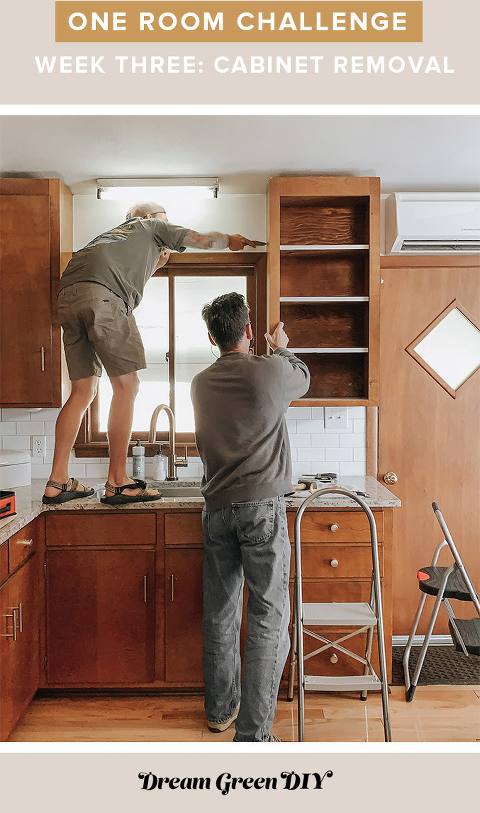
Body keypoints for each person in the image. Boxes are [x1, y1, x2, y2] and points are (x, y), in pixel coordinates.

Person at [43, 203, 259, 506]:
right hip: (105, 298)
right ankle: (118, 481)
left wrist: (161, 259)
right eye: (166, 221)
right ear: (148, 219)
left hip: (68, 298)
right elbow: (204, 240)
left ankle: (57, 481)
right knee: (127, 386)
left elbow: (144, 268)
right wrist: (229, 240)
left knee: (82, 391)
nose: (168, 228)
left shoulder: (108, 240)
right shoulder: (149, 227)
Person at [190, 292, 310, 742]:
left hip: (218, 509)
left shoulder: (200, 383)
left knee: (221, 612)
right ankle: (254, 735)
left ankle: (220, 712)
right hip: (262, 509)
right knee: (267, 615)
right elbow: (304, 376)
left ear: (210, 337)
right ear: (247, 331)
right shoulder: (271, 370)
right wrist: (279, 346)